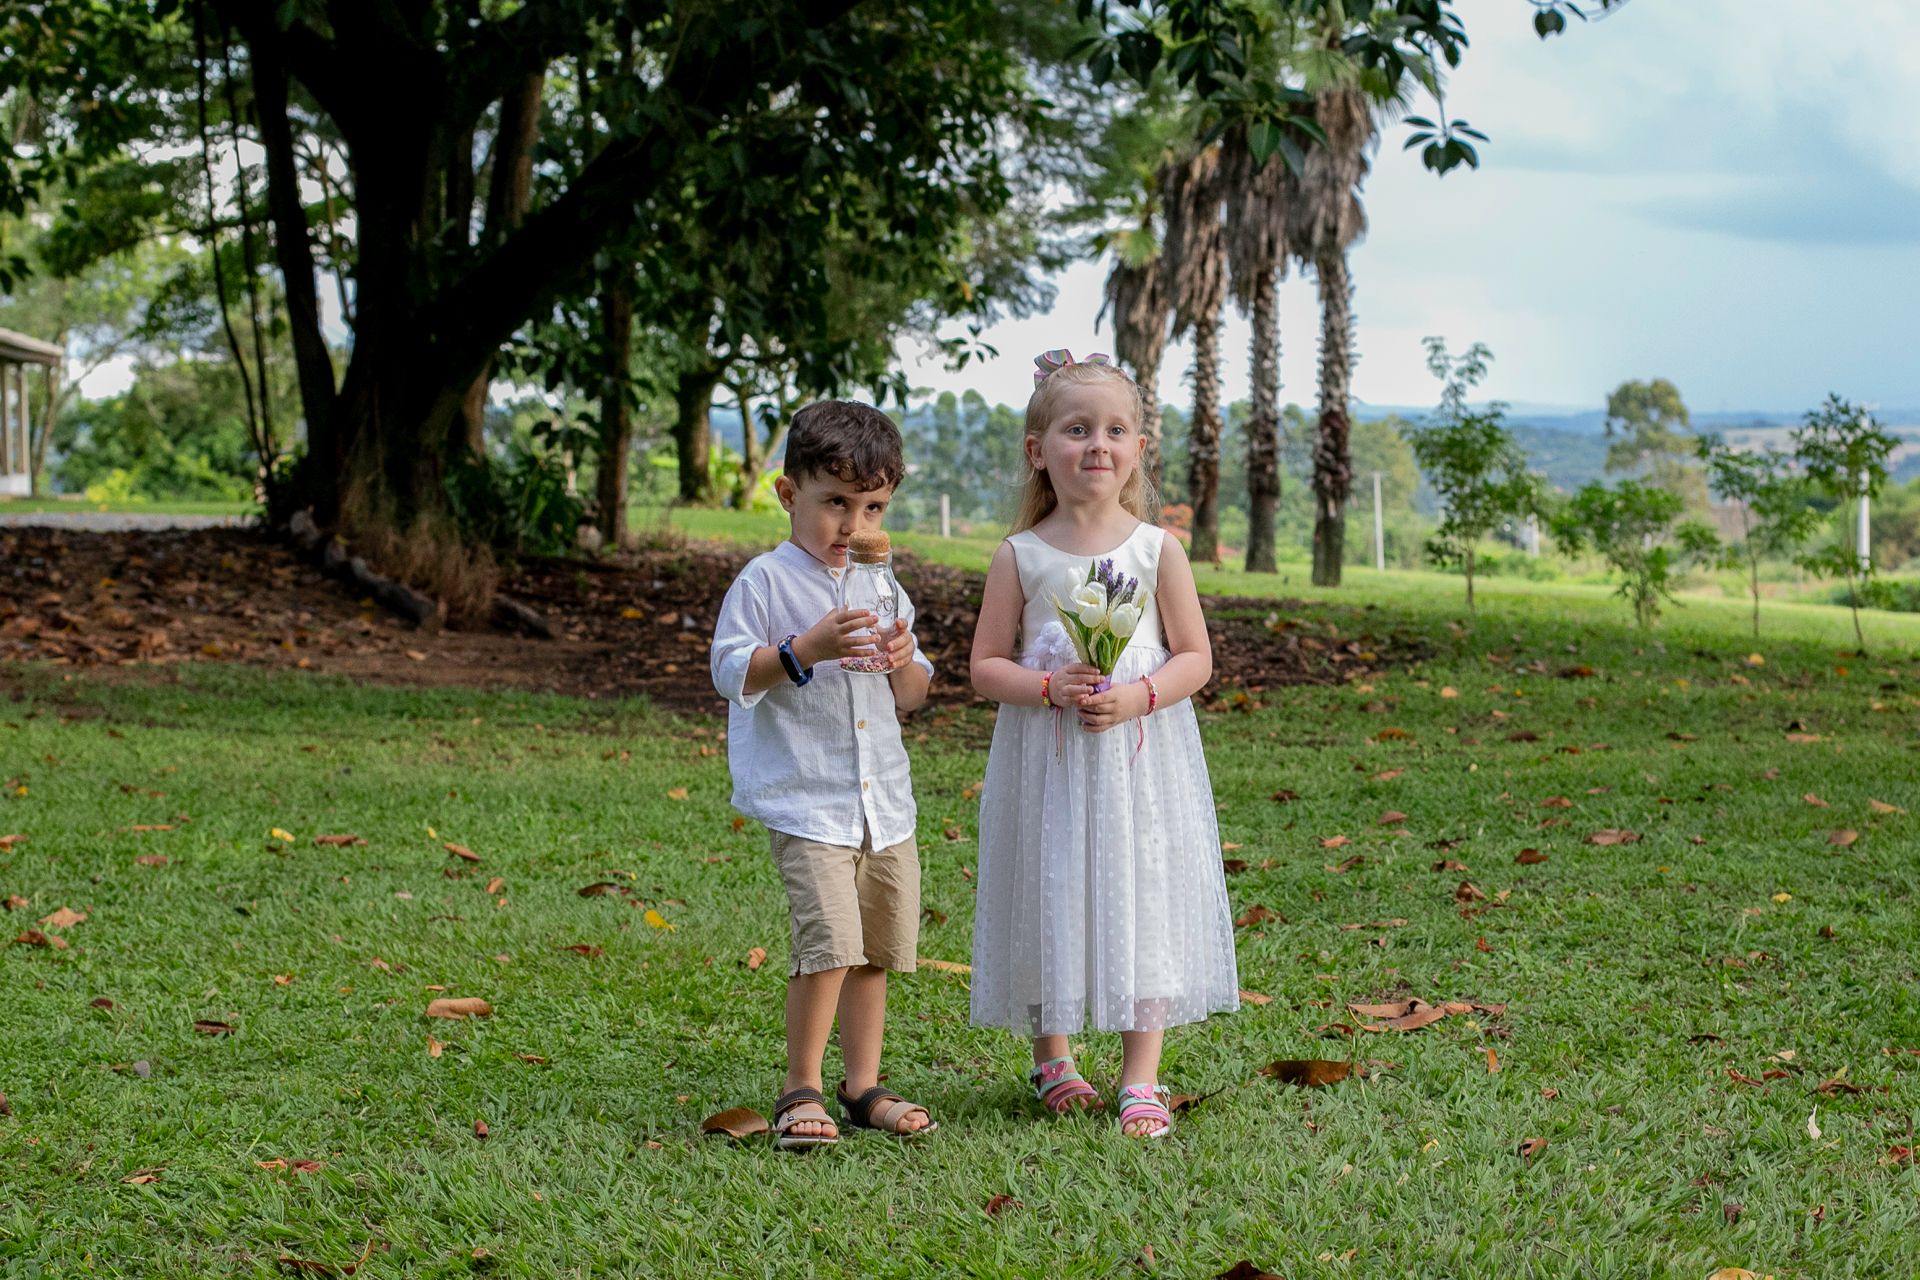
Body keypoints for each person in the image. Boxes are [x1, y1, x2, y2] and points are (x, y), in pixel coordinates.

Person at [968, 349, 1238, 1139]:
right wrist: (1049, 687)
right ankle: (1054, 1057)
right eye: (1076, 428)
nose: (1097, 445)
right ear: (1037, 450)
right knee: (1049, 886)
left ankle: (1140, 1076)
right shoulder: (1021, 556)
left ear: (1139, 448)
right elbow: (985, 667)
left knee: (1142, 894)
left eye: (1116, 430)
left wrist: (1137, 697)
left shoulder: (1158, 549)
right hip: (1047, 763)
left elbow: (1196, 657)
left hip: (1140, 765)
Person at [710, 400, 938, 1149]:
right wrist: (805, 649)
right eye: (835, 503)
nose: (854, 525)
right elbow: (731, 671)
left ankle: (861, 1084)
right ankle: (799, 1085)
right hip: (810, 801)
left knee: (874, 950)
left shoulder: (884, 586)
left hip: (884, 804)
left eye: (872, 507)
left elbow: (912, 696)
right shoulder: (766, 582)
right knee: (829, 944)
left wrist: (905, 661)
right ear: (788, 495)